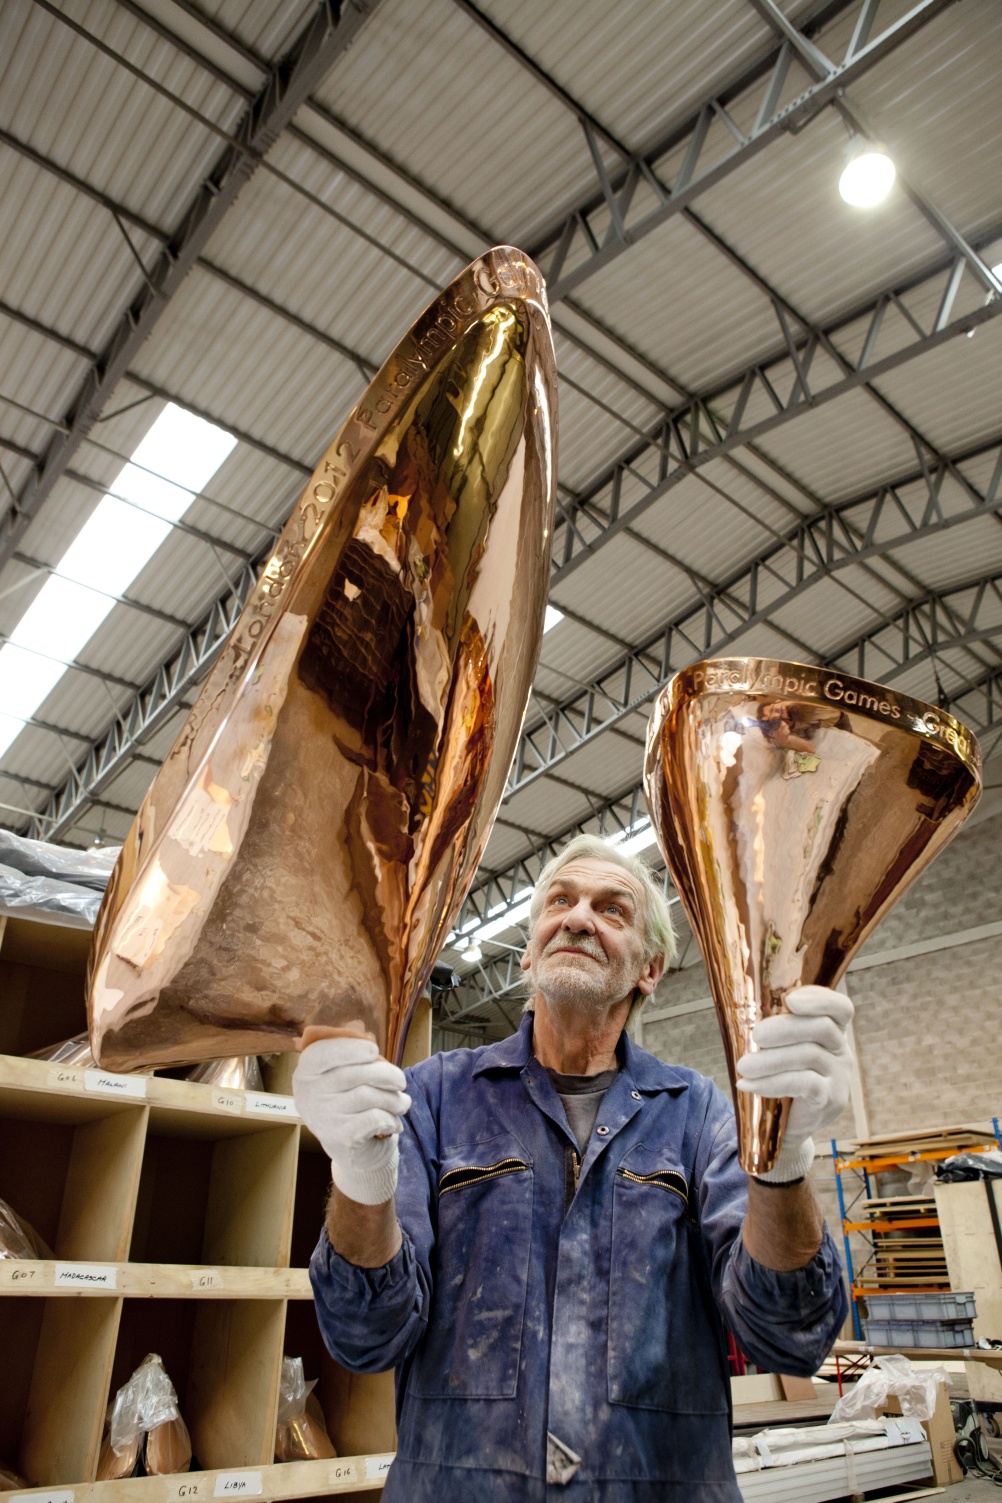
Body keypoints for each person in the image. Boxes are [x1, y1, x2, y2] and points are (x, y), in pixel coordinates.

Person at [295, 834, 852, 1501]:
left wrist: (782, 1162)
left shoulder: (702, 1113)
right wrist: (359, 1171)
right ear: (529, 952)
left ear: (649, 969)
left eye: (612, 909)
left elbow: (792, 1336)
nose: (579, 916)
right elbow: (367, 1337)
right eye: (560, 900)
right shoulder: (432, 1098)